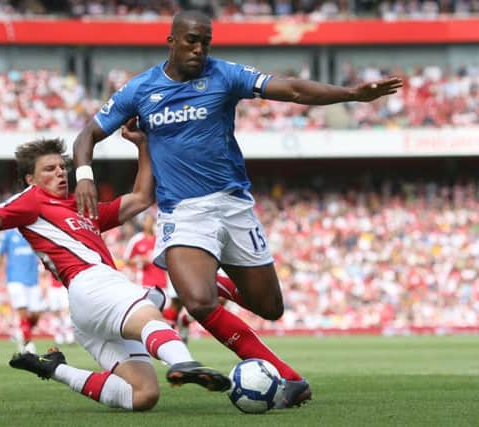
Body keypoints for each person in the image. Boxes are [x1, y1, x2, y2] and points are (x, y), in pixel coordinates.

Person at [72, 10, 403, 409]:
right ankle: (286, 376)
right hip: (185, 212)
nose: (199, 48)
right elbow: (87, 134)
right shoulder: (140, 89)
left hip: (233, 207)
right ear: (172, 40)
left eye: (206, 41)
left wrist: (352, 94)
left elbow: (293, 89)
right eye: (192, 40)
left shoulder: (224, 75)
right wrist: (85, 174)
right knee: (197, 302)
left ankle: (221, 284)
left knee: (270, 308)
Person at [0, 130, 231, 412]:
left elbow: (140, 198)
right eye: (50, 169)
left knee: (143, 395)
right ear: (30, 179)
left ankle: (55, 368)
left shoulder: (84, 207)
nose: (61, 172)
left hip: (86, 310)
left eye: (62, 167)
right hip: (91, 283)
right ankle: (184, 362)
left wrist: (143, 147)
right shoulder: (32, 200)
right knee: (149, 312)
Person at [0, 228, 44, 353]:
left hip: (33, 279)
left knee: (36, 315)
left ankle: (22, 332)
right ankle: (28, 344)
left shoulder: (34, 233)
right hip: (15, 279)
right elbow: (0, 255)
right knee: (22, 311)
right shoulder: (9, 235)